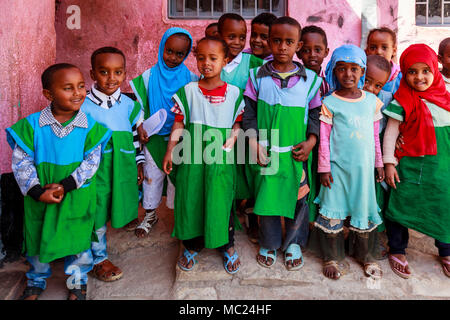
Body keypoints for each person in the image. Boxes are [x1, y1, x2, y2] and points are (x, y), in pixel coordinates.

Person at [6, 63, 111, 300]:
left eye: (81, 86)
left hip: (76, 195)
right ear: (49, 94)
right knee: (36, 236)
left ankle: (77, 281)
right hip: (40, 196)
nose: (78, 93)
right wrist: (35, 190)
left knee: (78, 238)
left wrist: (67, 185)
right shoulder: (31, 126)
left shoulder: (91, 128)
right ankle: (36, 281)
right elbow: (21, 163)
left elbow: (91, 164)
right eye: (68, 88)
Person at [243, 16, 322, 271]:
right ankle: (269, 242)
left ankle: (294, 243)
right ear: (269, 42)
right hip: (267, 150)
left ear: (298, 45)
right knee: (266, 198)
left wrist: (311, 141)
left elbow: (315, 115)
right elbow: (249, 113)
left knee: (299, 199)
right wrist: (253, 143)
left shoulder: (311, 80)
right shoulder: (256, 77)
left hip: (296, 152)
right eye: (276, 41)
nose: (282, 47)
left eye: (289, 42)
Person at [162, 37, 244, 274]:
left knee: (221, 199)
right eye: (201, 58)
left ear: (225, 61)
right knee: (192, 198)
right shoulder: (188, 92)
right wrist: (170, 150)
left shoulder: (234, 94)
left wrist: (233, 138)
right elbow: (179, 122)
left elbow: (238, 124)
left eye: (213, 58)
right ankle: (192, 244)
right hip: (192, 158)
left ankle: (226, 245)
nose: (206, 63)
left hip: (220, 158)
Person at [309, 45, 385, 280]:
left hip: (363, 171)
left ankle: (366, 256)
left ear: (362, 71)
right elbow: (324, 139)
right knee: (333, 210)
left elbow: (374, 137)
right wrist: (324, 168)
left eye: (354, 69)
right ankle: (332, 257)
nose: (348, 75)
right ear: (334, 70)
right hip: (336, 171)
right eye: (342, 69)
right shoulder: (329, 102)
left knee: (362, 209)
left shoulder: (371, 101)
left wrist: (379, 164)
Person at [382, 44, 450, 279]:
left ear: (435, 69)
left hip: (442, 168)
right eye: (412, 71)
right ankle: (397, 249)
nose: (419, 77)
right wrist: (389, 163)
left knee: (443, 205)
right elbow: (391, 133)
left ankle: (446, 251)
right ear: (403, 72)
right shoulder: (402, 100)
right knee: (400, 204)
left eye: (425, 71)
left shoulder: (446, 97)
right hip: (409, 166)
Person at [82, 47, 144, 282]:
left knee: (115, 205)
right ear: (92, 74)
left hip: (121, 168)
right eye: (104, 72)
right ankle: (98, 258)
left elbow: (134, 137)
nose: (111, 78)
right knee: (95, 211)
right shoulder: (82, 105)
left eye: (117, 72)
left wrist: (139, 163)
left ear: (125, 74)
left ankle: (90, 249)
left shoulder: (129, 106)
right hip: (93, 171)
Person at [130, 28, 198, 238]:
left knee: (177, 178)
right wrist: (140, 126)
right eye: (169, 51)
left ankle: (180, 216)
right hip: (154, 137)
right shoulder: (148, 77)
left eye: (180, 54)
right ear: (161, 48)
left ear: (186, 55)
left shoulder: (191, 79)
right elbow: (139, 107)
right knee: (152, 176)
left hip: (180, 138)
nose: (173, 58)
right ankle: (150, 214)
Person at [363, 54, 393, 260]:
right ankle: (356, 238)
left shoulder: (386, 100)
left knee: (375, 201)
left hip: (375, 161)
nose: (371, 89)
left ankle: (374, 240)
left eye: (377, 85)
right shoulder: (346, 97)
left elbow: (388, 130)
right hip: (353, 160)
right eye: (366, 81)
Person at [365, 27, 402, 94]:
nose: (378, 52)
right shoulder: (361, 71)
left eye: (384, 48)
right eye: (373, 48)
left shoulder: (400, 76)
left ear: (394, 51)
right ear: (367, 51)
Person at [297, 25, 330, 97]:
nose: (312, 55)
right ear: (298, 53)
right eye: (306, 50)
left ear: (326, 52)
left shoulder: (330, 80)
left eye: (317, 50)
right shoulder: (295, 80)